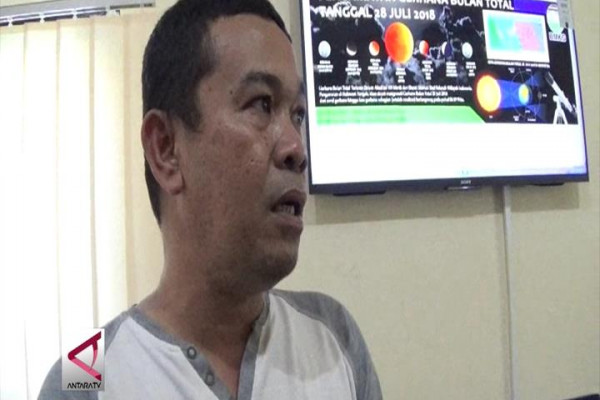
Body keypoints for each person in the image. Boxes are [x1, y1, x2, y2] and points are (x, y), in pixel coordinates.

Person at [39, 0, 382, 398]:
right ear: (166, 148)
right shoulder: (83, 377)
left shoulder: (333, 337)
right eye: (262, 104)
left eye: (298, 114)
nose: (297, 148)